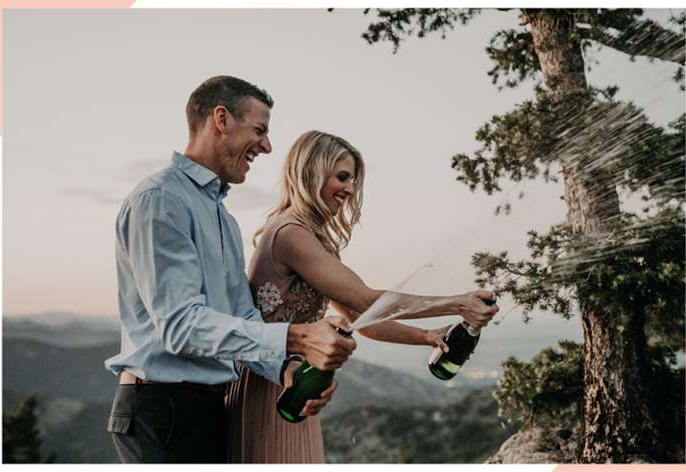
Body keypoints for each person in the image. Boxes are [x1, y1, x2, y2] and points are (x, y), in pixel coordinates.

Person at [104, 77, 356, 463]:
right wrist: (297, 337)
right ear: (221, 119)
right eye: (259, 130)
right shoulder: (161, 200)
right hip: (161, 412)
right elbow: (181, 326)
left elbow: (241, 314)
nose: (267, 146)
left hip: (207, 409)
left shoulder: (222, 218)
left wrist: (287, 370)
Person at [225, 130, 499, 463]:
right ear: (311, 172)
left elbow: (363, 320)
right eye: (342, 177)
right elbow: (367, 299)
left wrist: (427, 337)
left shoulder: (311, 237)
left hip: (298, 385)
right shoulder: (290, 233)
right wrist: (457, 302)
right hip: (271, 384)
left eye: (353, 180)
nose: (350, 189)